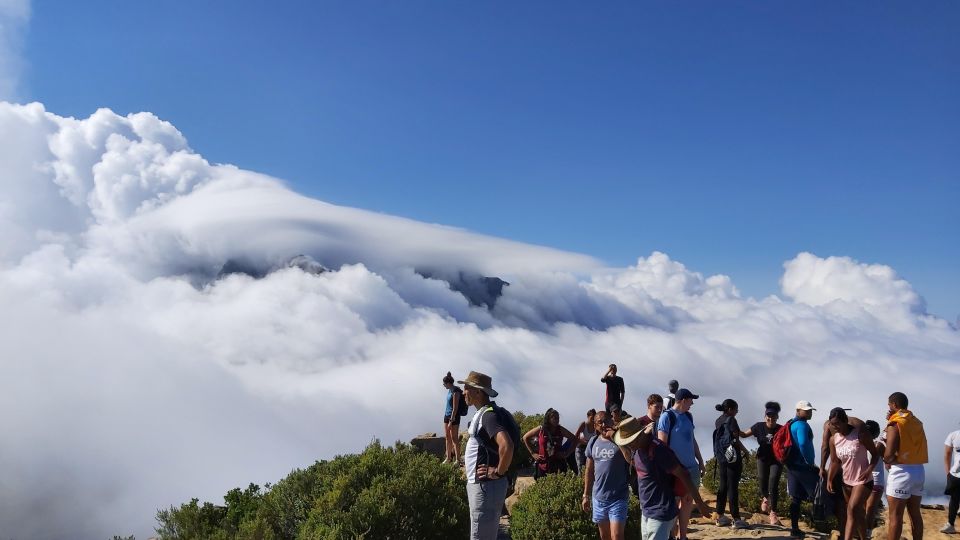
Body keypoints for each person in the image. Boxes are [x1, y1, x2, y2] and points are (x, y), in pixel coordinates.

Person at [616, 417, 712, 540]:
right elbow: (635, 463)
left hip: (662, 511)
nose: (629, 445)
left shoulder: (659, 450)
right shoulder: (637, 449)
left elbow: (684, 475)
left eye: (630, 442)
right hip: (646, 511)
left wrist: (700, 503)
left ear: (639, 436)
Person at [459, 371, 514, 540]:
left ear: (478, 391)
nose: (463, 392)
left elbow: (507, 445)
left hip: (485, 488)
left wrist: (497, 471)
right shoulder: (485, 413)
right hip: (485, 487)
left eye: (467, 388)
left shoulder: (488, 416)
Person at [656, 388, 706, 540]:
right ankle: (672, 535)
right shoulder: (667, 417)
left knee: (687, 503)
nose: (692, 404)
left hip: (691, 468)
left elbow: (692, 440)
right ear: (683, 400)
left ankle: (682, 536)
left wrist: (701, 460)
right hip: (675, 471)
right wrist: (668, 469)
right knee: (674, 504)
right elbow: (662, 445)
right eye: (691, 400)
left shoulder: (689, 416)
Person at [826, 407, 879, 540]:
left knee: (851, 509)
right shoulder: (834, 440)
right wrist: (829, 479)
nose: (835, 426)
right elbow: (835, 462)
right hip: (847, 482)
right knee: (858, 514)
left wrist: (869, 470)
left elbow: (875, 454)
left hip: (863, 480)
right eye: (832, 424)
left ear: (845, 421)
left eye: (838, 423)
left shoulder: (859, 434)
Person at [884, 392, 928, 540]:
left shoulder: (895, 424)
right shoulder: (916, 421)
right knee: (915, 513)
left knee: (895, 517)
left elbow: (888, 455)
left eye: (889, 405)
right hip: (918, 470)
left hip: (901, 472)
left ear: (894, 405)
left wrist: (889, 460)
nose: (889, 408)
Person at [582, 411, 631, 540]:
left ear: (611, 421)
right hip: (599, 498)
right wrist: (586, 495)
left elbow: (630, 459)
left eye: (606, 421)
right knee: (605, 537)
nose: (604, 425)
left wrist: (615, 438)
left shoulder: (620, 438)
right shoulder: (593, 442)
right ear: (595, 425)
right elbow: (589, 470)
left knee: (617, 536)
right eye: (600, 422)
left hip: (618, 497)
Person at [740, 401, 783, 525]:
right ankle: (765, 497)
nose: (771, 418)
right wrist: (733, 427)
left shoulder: (781, 429)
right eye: (768, 416)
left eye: (773, 416)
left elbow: (789, 441)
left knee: (773, 484)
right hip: (762, 458)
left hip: (776, 460)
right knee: (762, 481)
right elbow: (743, 435)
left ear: (777, 417)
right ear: (765, 416)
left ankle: (773, 513)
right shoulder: (759, 426)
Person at [713, 399, 750, 529]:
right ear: (729, 409)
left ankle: (720, 516)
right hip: (733, 457)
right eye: (736, 409)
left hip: (722, 457)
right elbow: (735, 439)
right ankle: (736, 519)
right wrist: (745, 451)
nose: (737, 412)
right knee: (733, 486)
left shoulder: (718, 420)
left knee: (723, 485)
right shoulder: (732, 420)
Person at [784, 400, 819, 539]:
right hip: (803, 466)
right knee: (819, 493)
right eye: (806, 410)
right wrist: (810, 462)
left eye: (810, 410)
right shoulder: (802, 425)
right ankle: (824, 524)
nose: (809, 412)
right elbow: (803, 443)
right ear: (798, 411)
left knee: (796, 498)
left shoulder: (791, 424)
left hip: (792, 465)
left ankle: (794, 528)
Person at [523, 408, 578, 479]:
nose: (556, 419)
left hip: (558, 465)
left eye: (558, 418)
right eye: (554, 417)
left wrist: (567, 453)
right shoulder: (541, 429)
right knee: (542, 488)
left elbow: (575, 440)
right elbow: (525, 437)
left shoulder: (560, 430)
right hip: (543, 465)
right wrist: (532, 453)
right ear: (548, 419)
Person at [864, 419, 887, 537]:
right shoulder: (879, 444)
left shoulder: (861, 443)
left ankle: (861, 531)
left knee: (863, 508)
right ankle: (867, 533)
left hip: (862, 480)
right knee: (871, 509)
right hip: (877, 481)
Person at [442, 372, 464, 464]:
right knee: (447, 437)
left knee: (454, 438)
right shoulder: (449, 390)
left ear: (448, 383)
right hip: (446, 415)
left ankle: (458, 459)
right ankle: (448, 458)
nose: (443, 385)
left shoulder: (456, 392)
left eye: (444, 383)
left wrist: (451, 420)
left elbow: (455, 408)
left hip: (453, 417)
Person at [944, 424, 960, 534]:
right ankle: (950, 524)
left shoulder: (954, 435)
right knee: (954, 499)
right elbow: (947, 454)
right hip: (956, 473)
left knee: (954, 499)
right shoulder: (953, 435)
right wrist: (948, 473)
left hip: (955, 473)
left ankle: (950, 525)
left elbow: (947, 454)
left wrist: (948, 472)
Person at [575, 409, 598, 474]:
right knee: (580, 467)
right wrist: (584, 442)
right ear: (588, 416)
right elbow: (575, 436)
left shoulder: (596, 426)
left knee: (590, 468)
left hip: (590, 449)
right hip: (581, 448)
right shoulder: (583, 424)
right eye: (592, 417)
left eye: (594, 417)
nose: (593, 419)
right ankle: (580, 482)